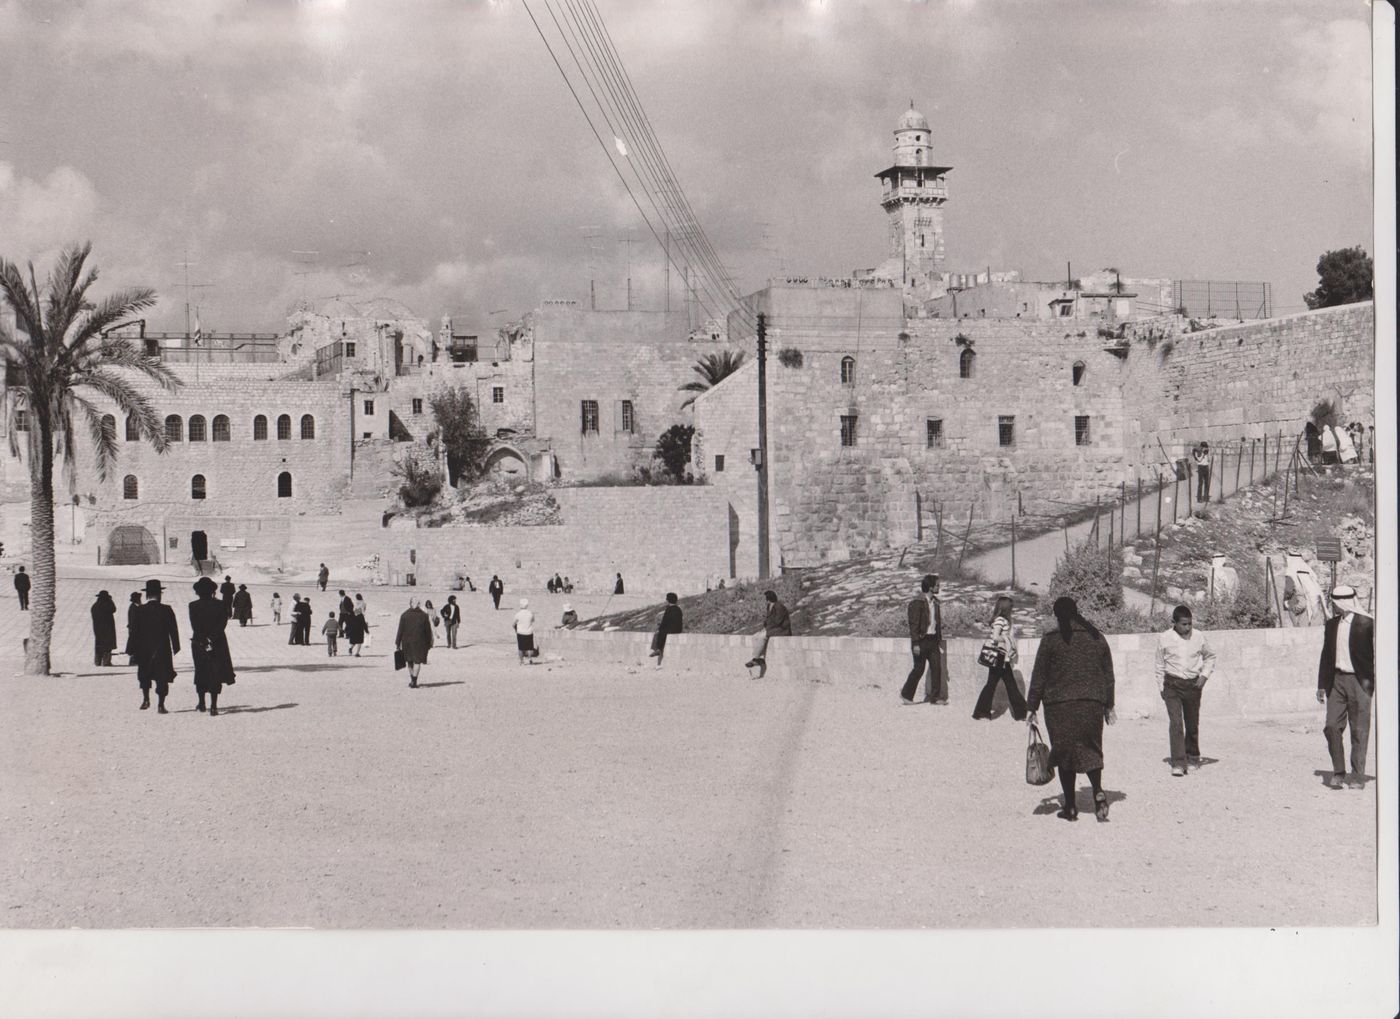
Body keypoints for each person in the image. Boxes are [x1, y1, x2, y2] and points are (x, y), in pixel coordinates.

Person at [1026, 597, 1117, 822]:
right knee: (1091, 748)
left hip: (1059, 705)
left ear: (1056, 615)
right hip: (1091, 703)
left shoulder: (1051, 639)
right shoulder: (1096, 637)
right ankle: (1097, 790)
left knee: (1063, 751)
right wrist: (1109, 704)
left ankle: (1071, 808)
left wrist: (1031, 707)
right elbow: (1108, 676)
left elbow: (1039, 676)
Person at [1316, 585, 1375, 789]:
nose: (1333, 606)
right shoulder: (1331, 625)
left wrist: (1372, 684)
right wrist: (1322, 685)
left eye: (1334, 602)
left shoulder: (1368, 624)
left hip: (1360, 682)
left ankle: (1358, 776)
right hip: (1336, 681)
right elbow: (1326, 655)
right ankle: (1339, 771)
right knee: (1332, 726)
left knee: (1359, 730)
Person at [1155, 605, 1217, 776]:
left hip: (1192, 685)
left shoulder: (1199, 637)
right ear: (1173, 623)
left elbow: (1210, 656)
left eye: (1189, 624)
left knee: (1191, 723)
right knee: (1176, 723)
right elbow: (1159, 664)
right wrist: (1161, 686)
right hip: (1172, 685)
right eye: (1183, 624)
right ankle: (1178, 762)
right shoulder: (1164, 638)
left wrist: (1204, 676)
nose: (1187, 628)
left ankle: (1192, 757)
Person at [972, 595, 1027, 721]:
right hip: (1000, 657)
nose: (1012, 610)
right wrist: (1008, 639)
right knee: (1003, 685)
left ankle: (981, 712)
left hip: (1002, 658)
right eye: (1011, 607)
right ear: (1006, 608)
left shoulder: (1000, 620)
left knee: (1004, 685)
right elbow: (995, 637)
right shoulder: (1000, 620)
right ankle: (1021, 713)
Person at [130, 579, 180, 714]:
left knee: (144, 675)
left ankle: (146, 699)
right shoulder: (166, 609)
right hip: (162, 648)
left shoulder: (140, 610)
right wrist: (176, 646)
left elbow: (134, 631)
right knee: (162, 677)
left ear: (147, 595)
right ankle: (161, 705)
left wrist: (131, 649)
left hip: (144, 648)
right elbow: (173, 630)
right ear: (160, 594)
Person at [189, 576, 236, 715]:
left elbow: (195, 625)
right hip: (218, 643)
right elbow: (222, 624)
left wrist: (204, 640)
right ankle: (214, 706)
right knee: (215, 672)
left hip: (199, 643)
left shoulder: (193, 605)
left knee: (201, 670)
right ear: (212, 591)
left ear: (198, 592)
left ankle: (202, 702)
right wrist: (211, 639)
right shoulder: (221, 605)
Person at [900, 574, 944, 705]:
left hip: (933, 640)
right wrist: (915, 644)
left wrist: (939, 639)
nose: (939, 587)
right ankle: (906, 695)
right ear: (930, 587)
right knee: (919, 669)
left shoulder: (936, 603)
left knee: (937, 668)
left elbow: (937, 622)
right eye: (937, 585)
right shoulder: (917, 603)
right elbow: (913, 625)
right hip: (921, 640)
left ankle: (935, 698)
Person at [745, 589, 793, 672]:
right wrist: (764, 628)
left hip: (782, 630)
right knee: (755, 636)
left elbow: (778, 621)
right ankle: (760, 658)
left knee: (762, 636)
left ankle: (755, 659)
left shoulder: (779, 606)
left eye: (766, 599)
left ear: (768, 599)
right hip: (774, 628)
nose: (765, 601)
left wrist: (766, 629)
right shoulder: (770, 606)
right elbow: (768, 620)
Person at [395, 597, 434, 688]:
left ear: (410, 604)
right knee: (417, 661)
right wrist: (429, 642)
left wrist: (397, 643)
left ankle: (413, 680)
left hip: (407, 642)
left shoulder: (404, 615)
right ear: (419, 604)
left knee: (409, 661)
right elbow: (428, 631)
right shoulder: (424, 615)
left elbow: (400, 630)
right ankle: (414, 680)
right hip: (420, 642)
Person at [648, 593, 684, 666]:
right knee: (661, 632)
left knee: (658, 633)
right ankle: (658, 650)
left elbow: (665, 621)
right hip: (678, 629)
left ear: (668, 600)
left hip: (670, 629)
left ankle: (657, 649)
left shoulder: (669, 609)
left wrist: (659, 628)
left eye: (666, 599)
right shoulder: (678, 609)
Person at [90, 590, 118, 667]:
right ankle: (106, 661)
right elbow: (113, 609)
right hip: (107, 628)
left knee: (99, 645)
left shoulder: (95, 606)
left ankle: (97, 661)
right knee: (108, 645)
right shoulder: (107, 605)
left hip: (97, 628)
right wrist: (111, 600)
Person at [513, 597, 537, 665]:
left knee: (521, 647)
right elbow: (533, 621)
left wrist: (516, 629)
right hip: (529, 632)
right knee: (529, 647)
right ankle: (530, 659)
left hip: (520, 632)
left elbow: (513, 624)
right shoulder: (530, 613)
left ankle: (521, 661)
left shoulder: (518, 614)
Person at [124, 591, 143, 664]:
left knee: (135, 645)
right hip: (135, 630)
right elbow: (134, 620)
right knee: (134, 645)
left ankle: (135, 660)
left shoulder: (134, 606)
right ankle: (133, 661)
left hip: (134, 629)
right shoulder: (134, 608)